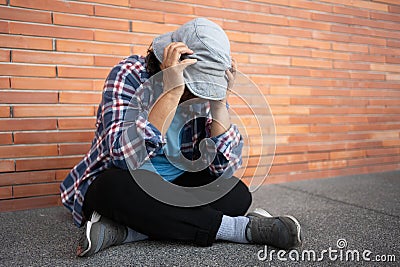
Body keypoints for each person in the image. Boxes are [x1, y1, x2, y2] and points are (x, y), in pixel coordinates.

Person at [60, 18, 302, 257]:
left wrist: (218, 104)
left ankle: (126, 232)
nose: (197, 95)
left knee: (236, 194)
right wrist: (171, 91)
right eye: (194, 85)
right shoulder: (128, 74)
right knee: (111, 189)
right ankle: (241, 229)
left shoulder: (207, 91)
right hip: (125, 181)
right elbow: (124, 158)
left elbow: (220, 169)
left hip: (175, 184)